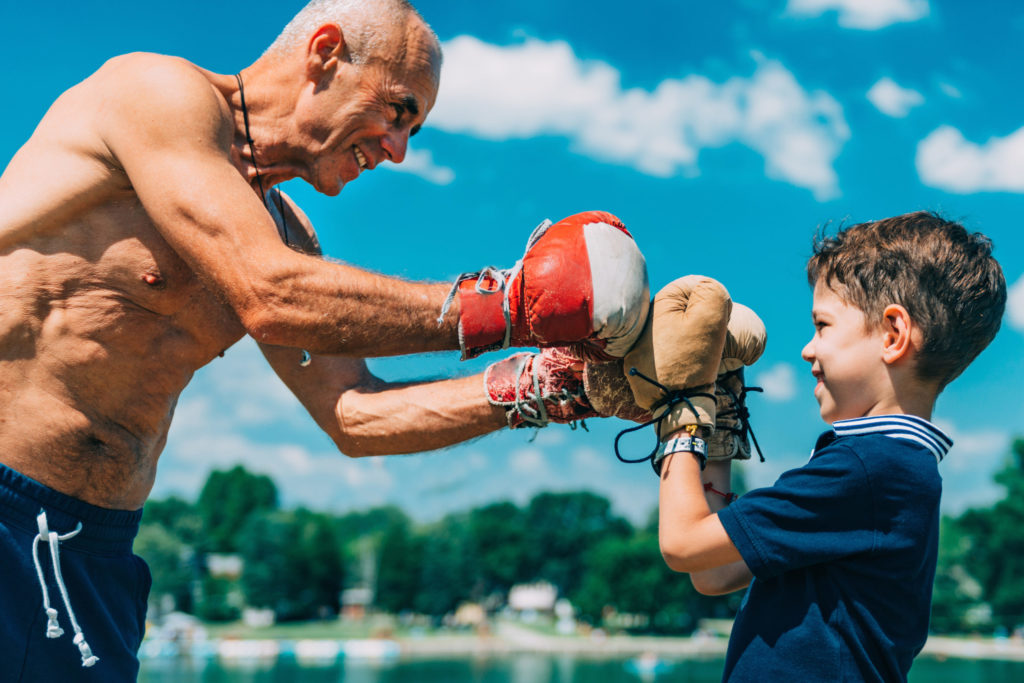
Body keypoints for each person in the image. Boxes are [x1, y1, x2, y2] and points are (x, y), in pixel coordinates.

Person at [0, 1, 654, 678]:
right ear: (326, 53)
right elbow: (271, 295)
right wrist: (509, 305)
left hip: (93, 552)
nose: (397, 150)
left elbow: (355, 413)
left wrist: (551, 387)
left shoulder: (287, 237)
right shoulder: (158, 94)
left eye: (414, 131)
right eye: (398, 110)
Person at [648, 212, 1006, 682]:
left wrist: (682, 418)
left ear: (893, 335)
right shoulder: (887, 467)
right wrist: (717, 433)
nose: (807, 350)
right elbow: (713, 572)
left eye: (822, 325)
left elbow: (680, 544)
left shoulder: (870, 469)